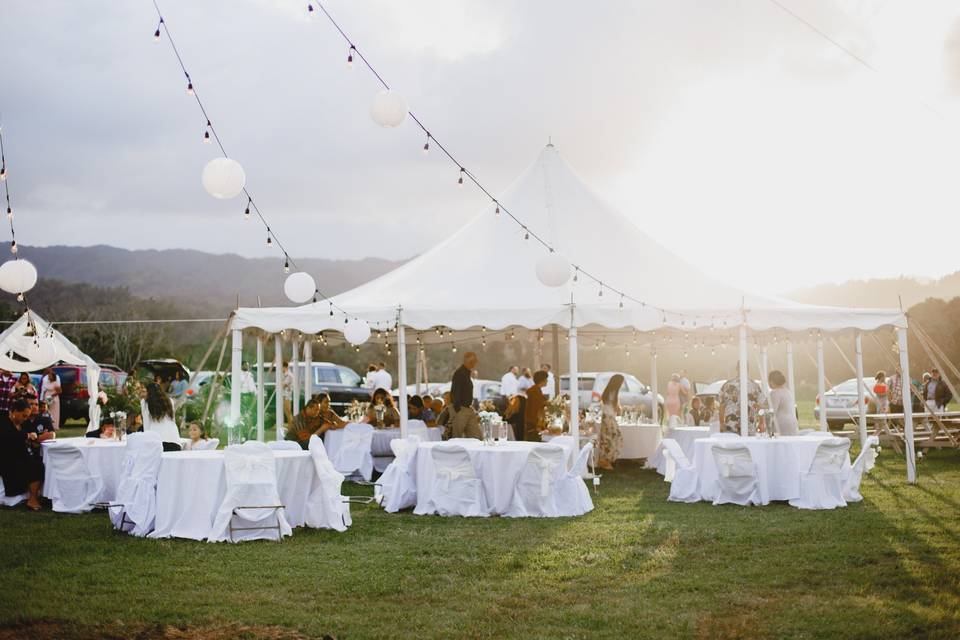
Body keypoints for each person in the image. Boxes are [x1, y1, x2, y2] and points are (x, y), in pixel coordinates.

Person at [0, 397, 44, 510]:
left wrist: (33, 436)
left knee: (38, 463)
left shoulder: (23, 423)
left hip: (21, 455)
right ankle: (32, 498)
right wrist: (27, 436)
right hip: (6, 458)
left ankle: (34, 496)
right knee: (33, 466)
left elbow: (31, 432)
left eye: (27, 416)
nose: (25, 418)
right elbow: (8, 437)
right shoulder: (3, 421)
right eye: (23, 415)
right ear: (14, 412)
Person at [718, 366, 766, 435]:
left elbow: (722, 405)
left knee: (732, 445)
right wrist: (762, 422)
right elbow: (760, 406)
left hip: (731, 426)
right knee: (748, 445)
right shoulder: (755, 385)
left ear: (737, 368)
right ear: (748, 369)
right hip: (749, 426)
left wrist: (721, 423)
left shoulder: (727, 384)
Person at [448, 352, 481, 439]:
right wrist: (457, 409)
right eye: (472, 361)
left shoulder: (466, 373)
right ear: (466, 360)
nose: (474, 363)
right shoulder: (460, 373)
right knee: (456, 438)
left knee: (477, 437)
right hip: (460, 409)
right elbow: (455, 392)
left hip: (467, 408)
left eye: (475, 361)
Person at [140, 382, 181, 448]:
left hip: (156, 441)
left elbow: (146, 424)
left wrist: (146, 442)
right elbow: (173, 420)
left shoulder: (144, 403)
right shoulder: (170, 401)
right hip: (174, 439)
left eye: (145, 391)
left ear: (149, 392)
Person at [597, 374, 624, 470]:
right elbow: (613, 406)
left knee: (608, 438)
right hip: (608, 416)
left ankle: (606, 459)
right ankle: (606, 459)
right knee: (612, 437)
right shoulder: (612, 392)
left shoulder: (609, 391)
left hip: (607, 416)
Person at [767, 370, 798, 436]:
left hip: (781, 424)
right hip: (792, 422)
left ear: (771, 381)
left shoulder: (775, 392)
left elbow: (772, 411)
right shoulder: (788, 392)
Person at [524, 370, 550, 441]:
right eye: (546, 379)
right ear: (542, 380)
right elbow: (541, 403)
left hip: (534, 422)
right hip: (532, 423)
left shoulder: (536, 389)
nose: (547, 381)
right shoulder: (534, 391)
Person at [501, 366, 521, 439]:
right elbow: (506, 387)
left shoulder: (513, 377)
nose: (517, 371)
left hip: (513, 398)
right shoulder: (507, 376)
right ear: (511, 369)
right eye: (515, 369)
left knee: (511, 416)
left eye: (517, 369)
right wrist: (508, 397)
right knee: (507, 416)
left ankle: (510, 434)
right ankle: (503, 434)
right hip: (508, 397)